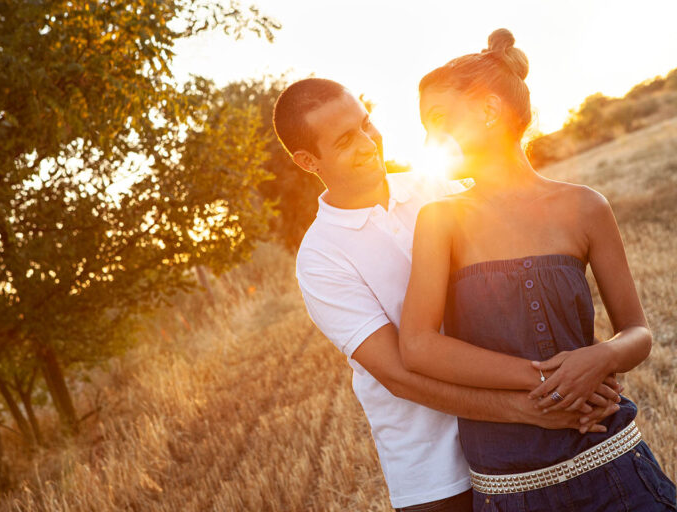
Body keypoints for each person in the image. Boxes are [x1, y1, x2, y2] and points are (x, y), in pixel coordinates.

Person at [272, 78, 620, 512]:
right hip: (435, 471)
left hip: (522, 443)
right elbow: (398, 375)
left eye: (366, 124)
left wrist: (584, 370)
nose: (368, 143)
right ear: (308, 161)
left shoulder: (439, 189)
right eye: (345, 140)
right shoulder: (321, 258)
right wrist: (535, 401)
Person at [398, 28, 677, 511]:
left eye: (438, 119)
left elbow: (638, 333)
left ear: (489, 111)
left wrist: (601, 357)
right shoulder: (440, 220)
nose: (428, 138)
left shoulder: (586, 207)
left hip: (617, 472)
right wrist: (546, 380)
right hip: (511, 491)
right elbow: (418, 345)